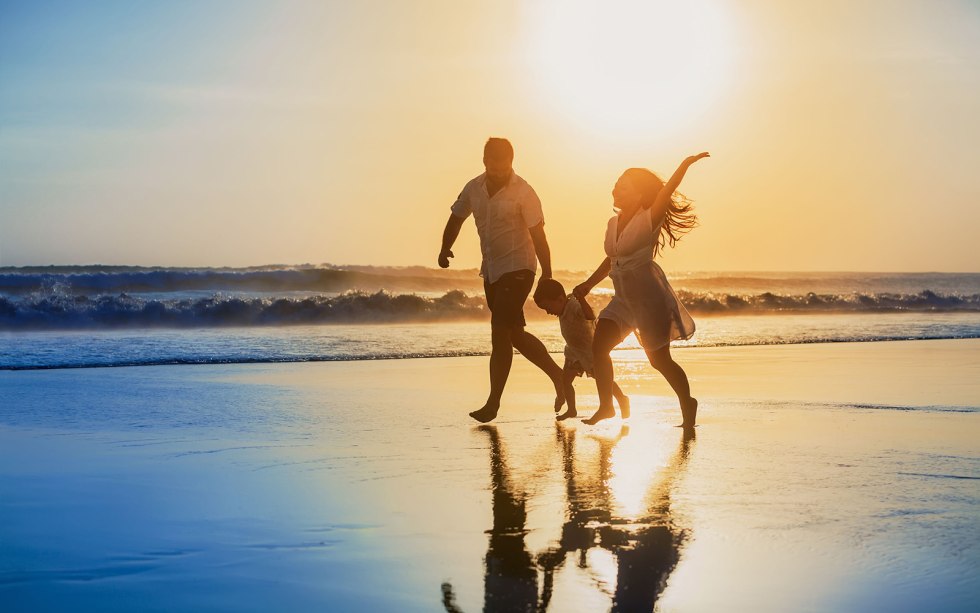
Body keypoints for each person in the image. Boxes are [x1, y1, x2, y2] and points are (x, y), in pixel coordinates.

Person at [574, 153, 709, 428]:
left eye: (623, 187)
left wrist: (684, 164)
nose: (616, 189)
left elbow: (667, 190)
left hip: (650, 300)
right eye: (616, 185)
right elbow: (612, 259)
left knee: (659, 362)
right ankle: (606, 407)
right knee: (599, 347)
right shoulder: (613, 223)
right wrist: (588, 284)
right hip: (623, 300)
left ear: (638, 194)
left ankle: (687, 402)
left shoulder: (650, 216)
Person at [438, 137, 565, 423]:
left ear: (511, 161)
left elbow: (538, 235)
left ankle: (493, 403)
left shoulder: (524, 191)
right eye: (494, 166)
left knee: (499, 332)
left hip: (520, 268)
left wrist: (547, 273)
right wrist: (445, 247)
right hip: (492, 270)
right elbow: (456, 218)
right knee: (514, 335)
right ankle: (559, 377)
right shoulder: (473, 188)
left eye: (505, 165)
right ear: (486, 162)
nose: (500, 171)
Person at [533, 278, 630, 421]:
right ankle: (571, 410)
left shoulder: (573, 305)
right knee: (565, 380)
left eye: (548, 307)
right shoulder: (561, 309)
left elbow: (590, 316)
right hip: (573, 351)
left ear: (560, 299)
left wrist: (582, 300)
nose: (548, 312)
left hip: (589, 351)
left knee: (603, 380)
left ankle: (622, 399)